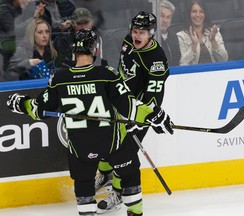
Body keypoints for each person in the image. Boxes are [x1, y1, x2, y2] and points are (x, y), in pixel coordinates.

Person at [6, 29, 174, 216]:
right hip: (111, 144)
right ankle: (135, 211)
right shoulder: (106, 74)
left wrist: (21, 103)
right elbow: (130, 107)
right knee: (130, 173)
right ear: (95, 50)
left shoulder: (60, 78)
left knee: (84, 186)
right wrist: (154, 116)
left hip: (81, 148)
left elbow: (39, 110)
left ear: (74, 52)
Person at [94, 11, 170, 214]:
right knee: (105, 140)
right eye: (135, 31)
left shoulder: (156, 59)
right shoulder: (128, 41)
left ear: (152, 34)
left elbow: (154, 97)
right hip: (119, 103)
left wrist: (141, 118)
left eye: (142, 33)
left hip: (139, 112)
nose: (136, 36)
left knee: (124, 153)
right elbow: (123, 71)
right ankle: (104, 175)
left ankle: (118, 193)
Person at [176, 0, 228, 65]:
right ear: (189, 14)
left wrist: (213, 41)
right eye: (194, 11)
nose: (198, 15)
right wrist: (194, 45)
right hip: (193, 74)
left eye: (201, 12)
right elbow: (182, 64)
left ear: (205, 14)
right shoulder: (181, 36)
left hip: (215, 72)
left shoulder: (214, 32)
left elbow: (224, 60)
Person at [160, 0, 181, 66]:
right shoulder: (147, 37)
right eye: (162, 16)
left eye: (168, 17)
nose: (165, 20)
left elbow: (178, 61)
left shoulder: (174, 36)